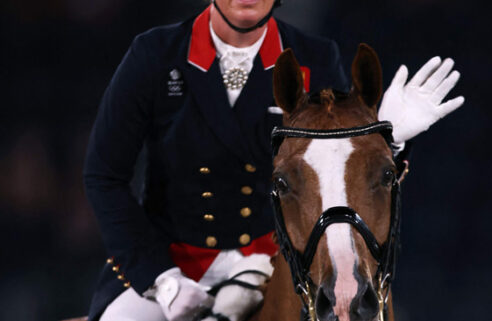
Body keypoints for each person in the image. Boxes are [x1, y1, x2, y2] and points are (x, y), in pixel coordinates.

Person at [83, 0, 464, 320]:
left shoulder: (315, 57)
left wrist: (389, 138)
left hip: (273, 264)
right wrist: (159, 278)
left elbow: (342, 174)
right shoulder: (155, 55)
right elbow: (104, 177)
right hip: (170, 265)